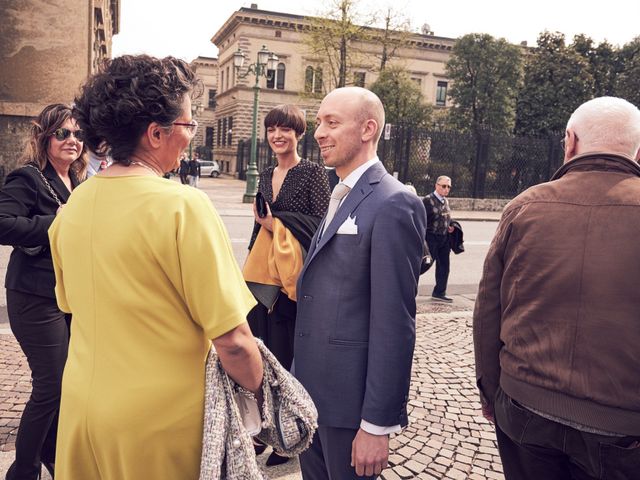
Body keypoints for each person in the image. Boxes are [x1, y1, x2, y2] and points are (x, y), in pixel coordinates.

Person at [48, 54, 263, 480]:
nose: (191, 135)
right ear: (156, 133)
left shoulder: (72, 208)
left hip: (82, 408)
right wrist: (266, 394)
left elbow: (73, 306)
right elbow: (234, 341)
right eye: (189, 124)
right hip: (160, 421)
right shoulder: (183, 205)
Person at [473, 96, 640, 480]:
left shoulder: (525, 206)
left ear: (570, 141)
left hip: (525, 406)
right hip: (622, 427)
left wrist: (492, 392)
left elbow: (488, 311)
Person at [293, 87, 426, 479]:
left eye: (332, 122)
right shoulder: (339, 192)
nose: (318, 132)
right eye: (318, 122)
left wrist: (376, 425)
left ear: (368, 129)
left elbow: (394, 323)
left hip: (350, 410)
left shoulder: (394, 202)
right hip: (312, 397)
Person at [0, 103, 88, 480]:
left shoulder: (79, 183)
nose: (72, 141)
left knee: (67, 382)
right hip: (34, 296)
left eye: (78, 135)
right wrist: (56, 223)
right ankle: (23, 471)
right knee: (50, 384)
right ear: (44, 137)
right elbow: (3, 224)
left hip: (68, 295)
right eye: (63, 133)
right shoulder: (28, 177)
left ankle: (53, 456)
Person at [243, 104, 330, 466]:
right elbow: (260, 226)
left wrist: (274, 221)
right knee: (263, 356)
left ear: (299, 134)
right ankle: (267, 429)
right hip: (266, 279)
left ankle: (289, 435)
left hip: (295, 282)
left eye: (285, 129)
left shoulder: (312, 173)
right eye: (272, 130)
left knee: (288, 358)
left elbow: (321, 226)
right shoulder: (265, 173)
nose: (278, 136)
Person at [422, 175, 455, 302]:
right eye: (444, 186)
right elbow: (421, 219)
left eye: (449, 187)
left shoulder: (445, 201)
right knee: (425, 264)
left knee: (444, 266)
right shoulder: (427, 200)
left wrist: (450, 225)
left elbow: (446, 217)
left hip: (444, 238)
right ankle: (408, 287)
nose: (446, 189)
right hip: (431, 237)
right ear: (436, 186)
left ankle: (439, 292)